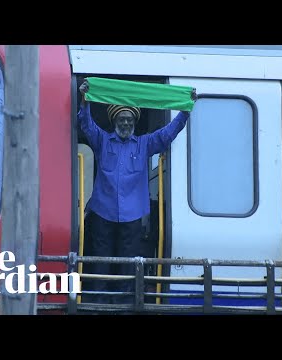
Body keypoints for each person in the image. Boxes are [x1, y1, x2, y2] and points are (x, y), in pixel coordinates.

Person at [78, 79, 197, 304]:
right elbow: (86, 124)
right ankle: (96, 304)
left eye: (129, 119)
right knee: (100, 262)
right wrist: (85, 99)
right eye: (122, 118)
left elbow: (167, 134)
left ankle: (124, 305)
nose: (125, 122)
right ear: (115, 120)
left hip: (132, 218)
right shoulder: (102, 140)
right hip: (102, 214)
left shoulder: (144, 144)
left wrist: (184, 111)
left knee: (128, 264)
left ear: (134, 122)